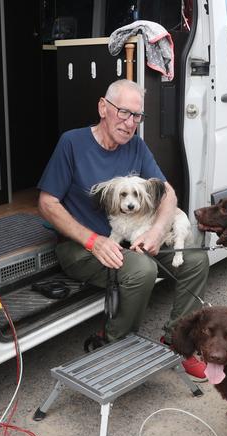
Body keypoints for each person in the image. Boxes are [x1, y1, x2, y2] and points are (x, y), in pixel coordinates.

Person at [37, 79, 209, 381]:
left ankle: (178, 340)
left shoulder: (136, 147)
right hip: (80, 246)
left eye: (137, 116)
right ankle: (116, 343)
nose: (130, 123)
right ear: (103, 108)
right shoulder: (72, 143)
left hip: (131, 237)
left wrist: (156, 232)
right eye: (124, 112)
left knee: (195, 260)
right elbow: (47, 203)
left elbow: (167, 193)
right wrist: (93, 240)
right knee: (141, 269)